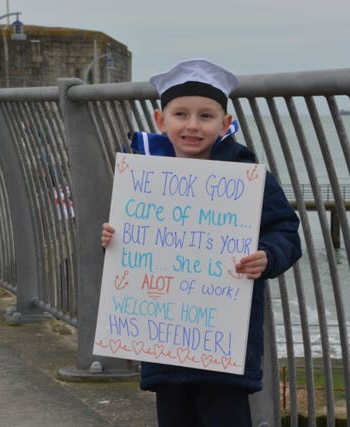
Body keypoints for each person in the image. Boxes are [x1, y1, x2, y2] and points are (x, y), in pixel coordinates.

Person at [100, 58, 302, 427]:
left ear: (225, 124)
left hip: (224, 345)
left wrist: (267, 256)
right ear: (161, 121)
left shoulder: (248, 176)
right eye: (181, 114)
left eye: (206, 116)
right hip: (163, 346)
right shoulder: (145, 175)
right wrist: (114, 240)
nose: (192, 125)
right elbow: (131, 243)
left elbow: (286, 230)